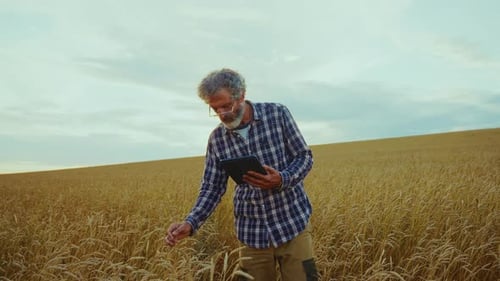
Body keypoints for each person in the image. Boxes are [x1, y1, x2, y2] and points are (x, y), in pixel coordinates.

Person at [165, 68, 318, 281]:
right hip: (252, 234)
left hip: (293, 225)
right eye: (215, 108)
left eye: (226, 105)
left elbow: (304, 157)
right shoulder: (217, 139)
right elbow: (212, 188)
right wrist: (191, 223)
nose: (222, 114)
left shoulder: (277, 114)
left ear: (242, 95)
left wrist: (281, 179)